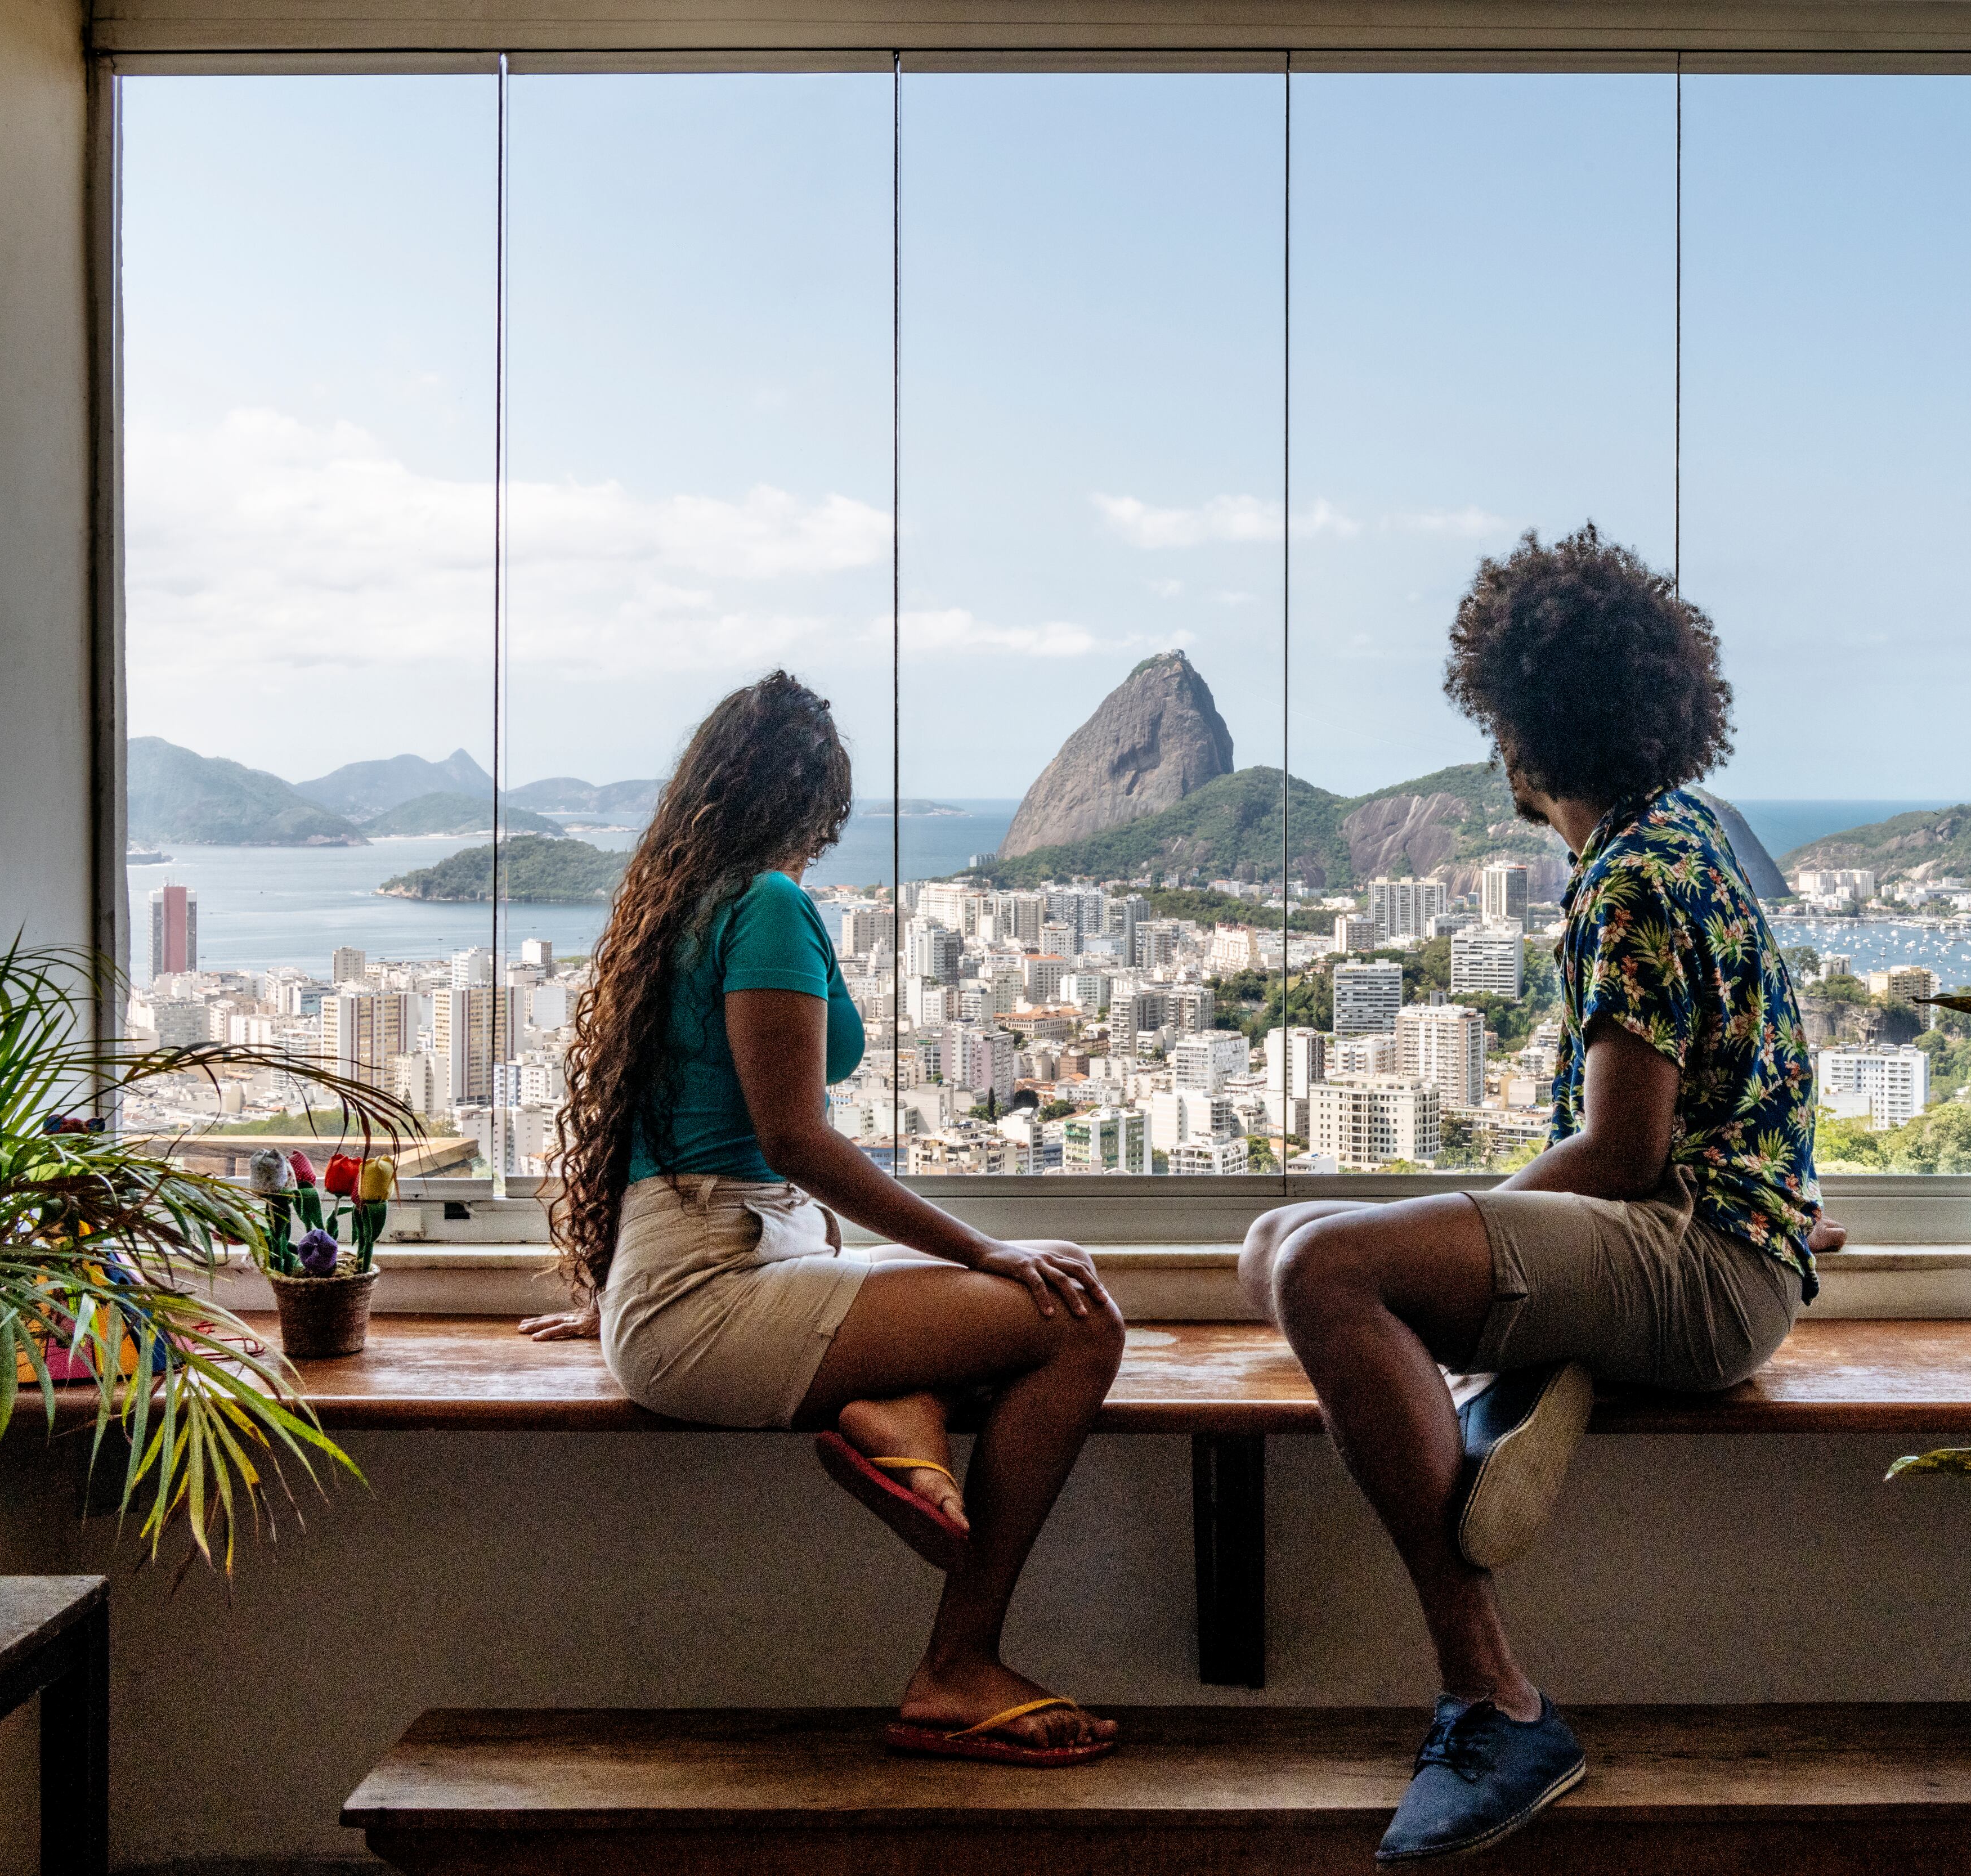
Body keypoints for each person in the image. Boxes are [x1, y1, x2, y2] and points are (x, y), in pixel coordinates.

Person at [1239, 526, 1842, 1861]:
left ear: (1520, 727)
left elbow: (1625, 1152)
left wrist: (1482, 1217)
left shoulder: (1631, 877)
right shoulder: (1679, 838)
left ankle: (1493, 1695)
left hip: (1696, 1265)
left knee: (1322, 1270)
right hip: (1713, 1246)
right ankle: (1512, 1381)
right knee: (1278, 1237)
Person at [518, 671, 1124, 1766]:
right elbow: (793, 1137)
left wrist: (618, 1296)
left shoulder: (673, 908)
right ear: (816, 809)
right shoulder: (766, 905)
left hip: (703, 1272)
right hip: (715, 1284)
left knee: (996, 1303)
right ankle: (958, 1664)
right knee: (1074, 1317)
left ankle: (900, 1412)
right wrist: (983, 1245)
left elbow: (665, 1136)